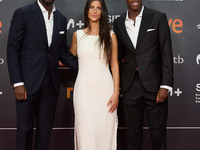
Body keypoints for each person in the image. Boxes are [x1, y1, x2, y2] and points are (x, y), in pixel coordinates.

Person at [7, 0, 77, 149]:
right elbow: (13, 48)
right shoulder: (23, 13)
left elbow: (62, 52)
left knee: (45, 134)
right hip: (27, 83)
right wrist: (18, 82)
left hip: (50, 84)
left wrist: (88, 67)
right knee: (24, 132)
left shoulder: (61, 19)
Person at [113, 0, 173, 150]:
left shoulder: (157, 17)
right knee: (132, 137)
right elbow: (118, 54)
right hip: (129, 86)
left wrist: (165, 84)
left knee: (158, 135)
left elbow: (166, 51)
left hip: (155, 85)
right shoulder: (118, 22)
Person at [70, 0, 119, 149]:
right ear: (87, 10)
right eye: (92, 7)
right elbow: (69, 59)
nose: (94, 11)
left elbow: (114, 64)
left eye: (98, 8)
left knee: (105, 132)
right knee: (85, 132)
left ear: (102, 12)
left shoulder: (111, 36)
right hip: (83, 92)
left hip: (105, 91)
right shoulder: (77, 35)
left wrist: (116, 92)